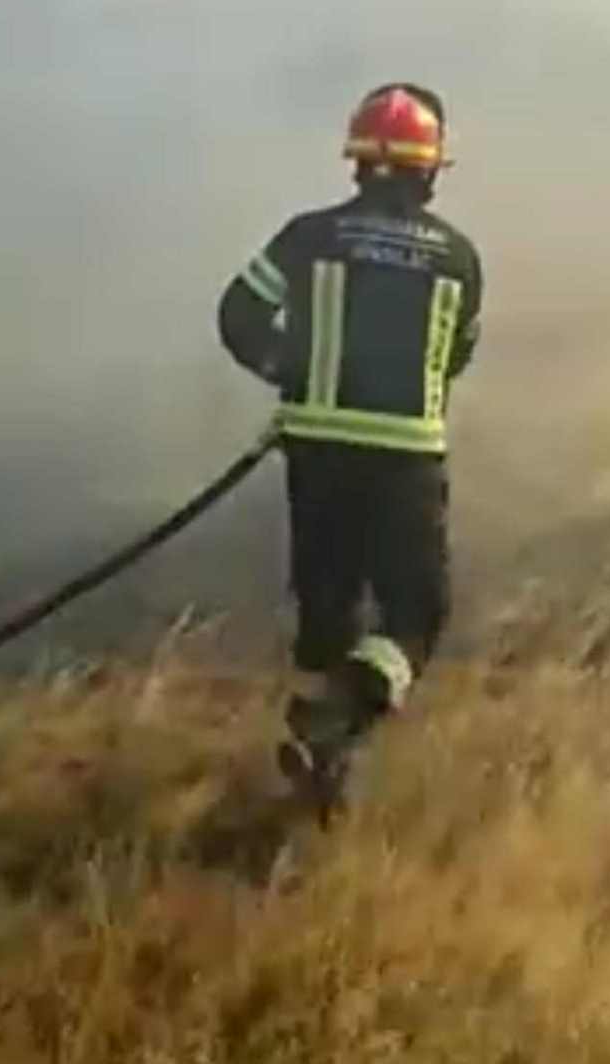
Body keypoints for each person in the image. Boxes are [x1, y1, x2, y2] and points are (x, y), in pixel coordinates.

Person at [217, 83, 483, 811]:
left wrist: (289, 370)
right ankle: (336, 727)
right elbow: (456, 356)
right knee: (416, 614)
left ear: (358, 164)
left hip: (317, 458)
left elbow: (239, 314)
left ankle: (321, 769)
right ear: (429, 170)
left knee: (327, 617)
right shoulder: (458, 258)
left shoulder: (308, 238)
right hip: (405, 461)